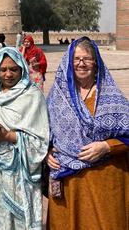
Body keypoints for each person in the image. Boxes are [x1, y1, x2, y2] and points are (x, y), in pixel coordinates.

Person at [46, 37, 129, 229]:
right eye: (76, 59)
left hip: (104, 182)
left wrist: (107, 146)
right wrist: (48, 152)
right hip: (69, 185)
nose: (81, 64)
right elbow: (46, 133)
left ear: (96, 62)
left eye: (86, 59)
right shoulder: (57, 97)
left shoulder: (112, 97)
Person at [0, 47, 49, 230]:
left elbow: (41, 140)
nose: (8, 74)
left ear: (22, 69)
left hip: (21, 169)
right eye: (3, 70)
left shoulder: (32, 96)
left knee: (21, 221)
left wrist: (7, 136)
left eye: (13, 69)